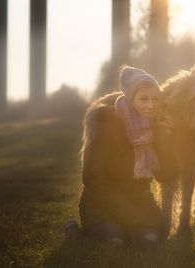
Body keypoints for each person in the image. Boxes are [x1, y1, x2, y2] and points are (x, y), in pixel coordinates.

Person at [77, 66, 165, 246]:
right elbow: (93, 178)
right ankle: (74, 234)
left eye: (155, 99)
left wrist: (166, 135)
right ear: (130, 99)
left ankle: (133, 231)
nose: (151, 105)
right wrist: (133, 218)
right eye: (144, 99)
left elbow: (164, 174)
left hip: (136, 199)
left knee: (155, 236)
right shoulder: (106, 124)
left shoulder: (153, 127)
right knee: (115, 240)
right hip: (101, 204)